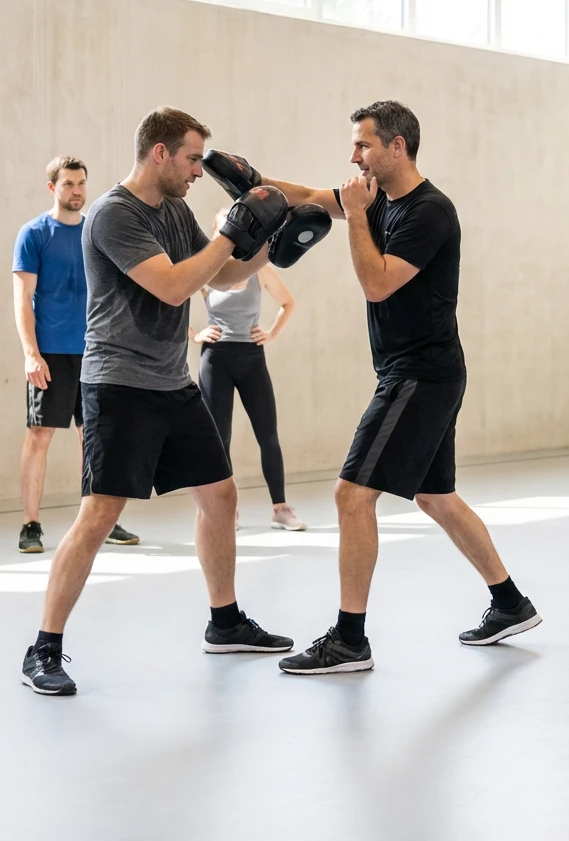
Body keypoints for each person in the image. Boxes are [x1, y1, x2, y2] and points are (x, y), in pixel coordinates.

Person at [202, 100, 541, 675]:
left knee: (351, 495)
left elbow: (378, 285)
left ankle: (349, 640)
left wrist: (356, 217)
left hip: (420, 373)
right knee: (436, 495)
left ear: (396, 147)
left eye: (362, 145)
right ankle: (511, 603)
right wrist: (258, 185)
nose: (353, 155)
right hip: (416, 369)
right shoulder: (375, 193)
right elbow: (311, 194)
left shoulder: (429, 212)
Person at [20, 107, 303, 697]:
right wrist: (233, 226)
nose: (200, 170)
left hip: (172, 383)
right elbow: (174, 284)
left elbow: (219, 277)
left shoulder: (174, 209)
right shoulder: (112, 216)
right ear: (160, 154)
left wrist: (272, 244)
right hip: (119, 385)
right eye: (194, 158)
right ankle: (43, 648)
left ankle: (224, 623)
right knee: (101, 513)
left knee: (220, 495)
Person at [13, 156, 138, 554]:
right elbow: (23, 301)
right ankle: (31, 524)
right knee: (39, 436)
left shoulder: (95, 232)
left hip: (98, 353)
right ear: (53, 188)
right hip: (50, 354)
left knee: (96, 439)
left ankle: (100, 520)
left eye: (82, 183)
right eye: (68, 184)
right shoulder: (34, 234)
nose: (78, 191)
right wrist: (32, 354)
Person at [192, 212, 306, 531]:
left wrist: (271, 333)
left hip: (251, 357)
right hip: (215, 359)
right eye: (225, 227)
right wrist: (195, 334)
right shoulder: (208, 271)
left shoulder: (259, 269)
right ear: (217, 234)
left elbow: (287, 303)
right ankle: (227, 511)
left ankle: (281, 509)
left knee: (268, 435)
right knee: (220, 438)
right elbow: (170, 302)